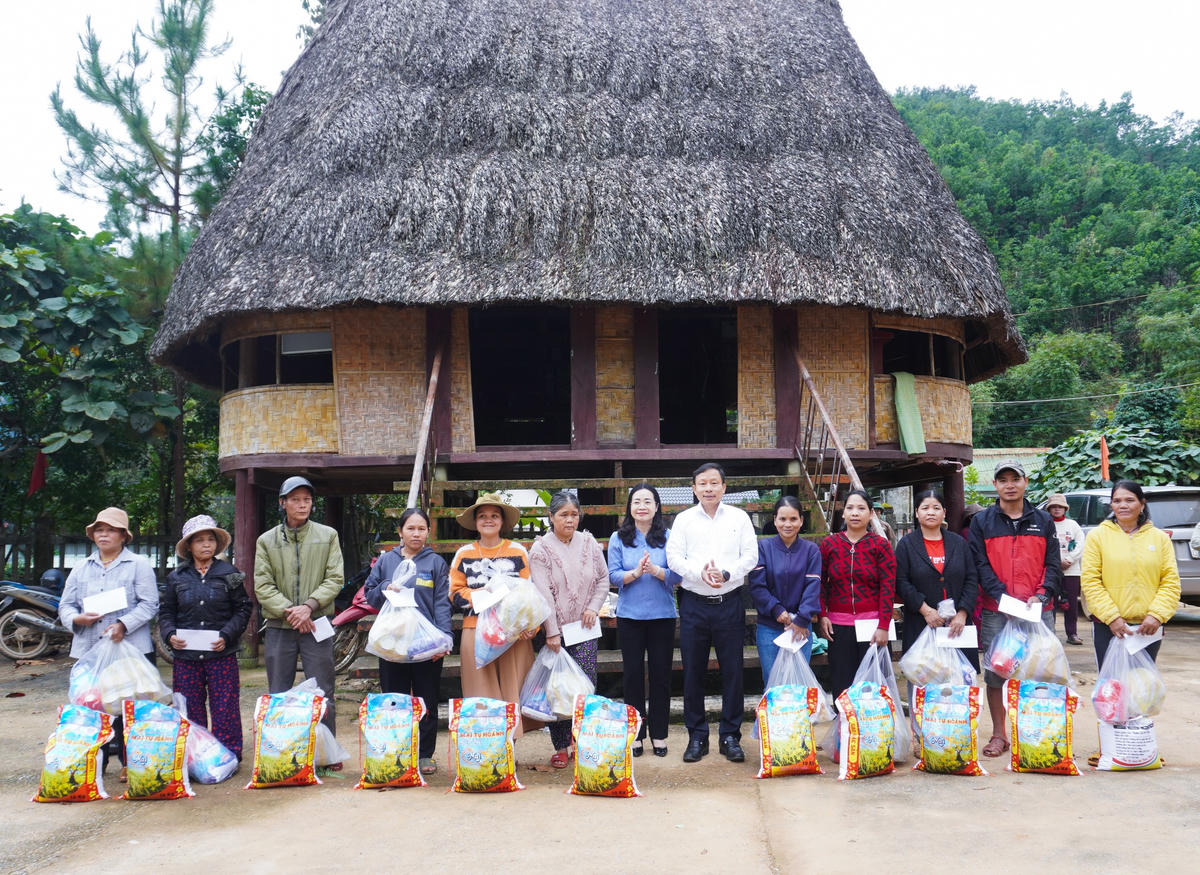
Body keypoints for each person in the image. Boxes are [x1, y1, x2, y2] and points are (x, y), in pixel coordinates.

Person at [665, 462, 758, 764]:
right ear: (693, 488)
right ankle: (697, 735)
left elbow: (751, 556)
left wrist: (727, 573)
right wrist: (698, 574)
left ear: (724, 487)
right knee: (693, 671)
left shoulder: (740, 518)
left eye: (714, 483)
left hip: (730, 601)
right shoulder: (683, 520)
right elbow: (674, 558)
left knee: (733, 671)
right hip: (693, 603)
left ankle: (730, 735)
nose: (708, 488)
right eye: (702, 483)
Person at [969, 459, 1061, 758]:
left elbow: (1053, 563)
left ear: (1025, 482)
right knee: (997, 671)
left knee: (1039, 671)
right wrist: (1003, 597)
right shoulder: (982, 522)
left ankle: (1033, 731)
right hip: (997, 610)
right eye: (1003, 480)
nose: (1009, 485)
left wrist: (1043, 593)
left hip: (1037, 609)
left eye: (1015, 479)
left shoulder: (1043, 520)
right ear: (995, 485)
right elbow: (979, 564)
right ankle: (999, 734)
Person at [59, 507, 159, 782]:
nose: (104, 534)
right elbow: (66, 605)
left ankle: (131, 761)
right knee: (92, 705)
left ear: (123, 536)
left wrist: (124, 624)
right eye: (99, 530)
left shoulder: (138, 564)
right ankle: (96, 761)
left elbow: (150, 603)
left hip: (131, 649)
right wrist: (77, 618)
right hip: (90, 649)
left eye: (111, 529)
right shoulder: (81, 567)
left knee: (131, 707)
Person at [254, 476, 345, 744]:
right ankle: (281, 749)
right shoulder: (266, 541)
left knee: (323, 689)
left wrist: (308, 607)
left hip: (317, 623)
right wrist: (291, 612)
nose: (302, 505)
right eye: (295, 499)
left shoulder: (328, 536)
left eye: (307, 499)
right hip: (279, 627)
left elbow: (335, 578)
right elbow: (262, 585)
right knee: (279, 690)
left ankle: (326, 751)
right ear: (283, 503)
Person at [363, 507, 451, 775]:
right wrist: (385, 588)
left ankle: (425, 754)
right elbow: (369, 594)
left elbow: (442, 604)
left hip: (425, 645)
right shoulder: (386, 561)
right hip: (392, 644)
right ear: (400, 531)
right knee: (394, 698)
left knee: (427, 699)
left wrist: (445, 638)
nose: (416, 533)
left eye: (421, 528)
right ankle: (396, 750)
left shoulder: (435, 563)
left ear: (428, 532)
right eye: (410, 528)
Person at [159, 514, 251, 760]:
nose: (206, 544)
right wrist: (170, 635)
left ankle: (228, 756)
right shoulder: (176, 577)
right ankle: (196, 757)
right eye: (199, 540)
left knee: (225, 707)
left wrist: (227, 635)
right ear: (189, 546)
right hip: (186, 656)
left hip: (221, 653)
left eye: (210, 539)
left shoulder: (230, 573)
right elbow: (166, 612)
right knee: (190, 708)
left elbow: (243, 608)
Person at [448, 492, 540, 738]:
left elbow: (528, 593)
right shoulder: (464, 554)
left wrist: (532, 625)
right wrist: (485, 594)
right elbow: (455, 594)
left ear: (502, 521)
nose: (488, 520)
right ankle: (487, 748)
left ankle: (509, 752)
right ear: (475, 522)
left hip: (512, 632)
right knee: (480, 691)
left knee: (513, 689)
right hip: (476, 629)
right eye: (483, 516)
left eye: (494, 516)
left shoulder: (518, 551)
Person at [530, 492, 610, 768]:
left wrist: (593, 607)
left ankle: (582, 740)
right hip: (556, 633)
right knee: (558, 689)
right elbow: (542, 593)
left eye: (574, 514)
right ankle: (562, 746)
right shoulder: (540, 550)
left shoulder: (589, 543)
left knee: (585, 686)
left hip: (585, 628)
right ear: (551, 517)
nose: (569, 519)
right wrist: (551, 631)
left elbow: (602, 579)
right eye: (563, 514)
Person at [607, 483, 681, 758]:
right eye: (636, 501)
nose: (642, 506)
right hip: (630, 617)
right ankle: (636, 735)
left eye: (647, 501)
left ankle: (660, 735)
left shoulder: (670, 536)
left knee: (661, 677)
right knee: (633, 677)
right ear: (630, 507)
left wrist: (657, 571)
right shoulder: (619, 537)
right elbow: (612, 575)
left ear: (657, 507)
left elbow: (679, 575)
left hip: (662, 615)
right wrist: (636, 573)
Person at [1080, 480, 1180, 668]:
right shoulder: (1097, 536)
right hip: (1108, 626)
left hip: (1148, 628)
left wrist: (1157, 615)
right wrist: (1112, 618)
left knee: (1142, 686)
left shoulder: (1159, 538)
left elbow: (1170, 582)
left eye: (1129, 500)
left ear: (1142, 504)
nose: (1123, 505)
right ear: (1111, 505)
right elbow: (1091, 581)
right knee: (1111, 688)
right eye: (1117, 501)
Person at [818, 489, 896, 709]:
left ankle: (875, 740)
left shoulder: (880, 545)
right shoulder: (829, 545)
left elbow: (888, 587)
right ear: (843, 514)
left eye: (861, 508)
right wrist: (822, 615)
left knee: (875, 689)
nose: (855, 513)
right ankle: (845, 739)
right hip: (838, 627)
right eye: (850, 508)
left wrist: (883, 625)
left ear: (871, 514)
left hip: (873, 628)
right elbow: (820, 583)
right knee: (843, 686)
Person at [895, 490, 979, 672]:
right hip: (921, 623)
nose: (931, 512)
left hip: (957, 626)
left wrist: (963, 613)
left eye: (936, 508)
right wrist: (925, 610)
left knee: (959, 684)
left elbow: (972, 579)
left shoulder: (959, 543)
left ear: (944, 513)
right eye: (925, 508)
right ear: (917, 512)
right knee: (923, 683)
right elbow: (901, 582)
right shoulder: (906, 545)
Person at [747, 496, 821, 682]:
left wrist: (802, 619)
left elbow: (813, 587)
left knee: (799, 685)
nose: (788, 524)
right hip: (769, 627)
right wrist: (777, 610)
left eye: (793, 519)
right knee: (772, 683)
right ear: (774, 520)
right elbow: (757, 586)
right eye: (782, 519)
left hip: (801, 628)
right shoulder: (763, 547)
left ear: (801, 520)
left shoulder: (811, 550)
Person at [1045, 492, 1085, 645]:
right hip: (1051, 571)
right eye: (1053, 507)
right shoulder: (1046, 524)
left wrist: (1069, 559)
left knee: (1071, 605)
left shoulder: (1073, 525)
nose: (1056, 509)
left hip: (1071, 570)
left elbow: (1080, 543)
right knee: (1050, 604)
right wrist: (1056, 562)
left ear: (1065, 509)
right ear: (1049, 509)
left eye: (1060, 507)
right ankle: (1050, 634)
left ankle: (1072, 633)